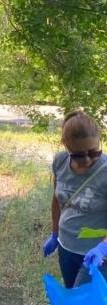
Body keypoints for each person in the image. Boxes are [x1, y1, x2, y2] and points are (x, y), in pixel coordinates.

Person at [42, 110, 107, 287]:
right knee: (72, 293)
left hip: (97, 254)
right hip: (67, 246)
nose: (86, 160)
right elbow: (56, 200)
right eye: (78, 154)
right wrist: (55, 233)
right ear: (66, 146)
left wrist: (103, 248)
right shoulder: (60, 162)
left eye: (94, 152)